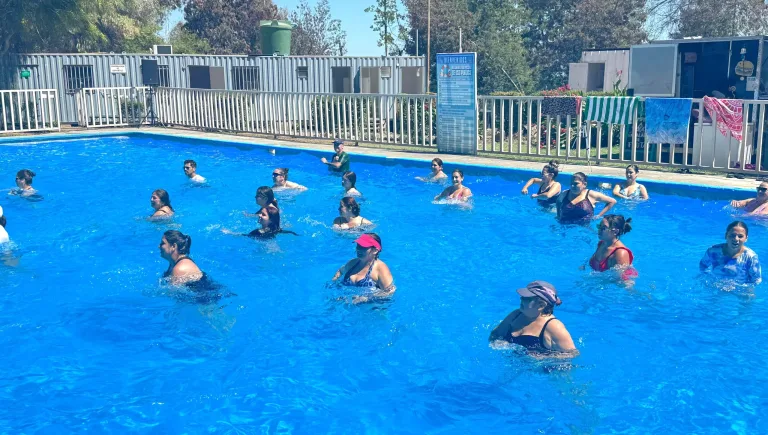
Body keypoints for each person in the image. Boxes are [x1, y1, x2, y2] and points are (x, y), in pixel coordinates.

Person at [489, 280, 577, 355]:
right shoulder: (516, 315)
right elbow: (495, 334)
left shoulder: (553, 326)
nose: (521, 299)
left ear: (541, 305)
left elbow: (572, 354)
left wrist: (542, 358)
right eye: (522, 297)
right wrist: (498, 343)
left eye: (527, 298)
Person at [332, 233, 395, 304]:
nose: (358, 249)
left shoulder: (381, 269)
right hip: (346, 306)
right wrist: (333, 284)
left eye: (363, 247)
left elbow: (390, 291)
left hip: (371, 309)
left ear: (375, 250)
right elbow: (340, 271)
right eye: (358, 245)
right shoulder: (352, 263)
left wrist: (365, 298)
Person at [700, 221, 762, 285]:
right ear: (726, 236)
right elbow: (703, 265)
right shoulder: (713, 251)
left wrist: (740, 288)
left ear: (746, 238)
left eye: (740, 236)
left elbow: (756, 280)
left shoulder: (751, 257)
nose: (736, 239)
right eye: (732, 235)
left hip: (739, 290)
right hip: (715, 286)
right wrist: (708, 279)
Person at [589, 215, 637, 280]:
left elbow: (624, 282)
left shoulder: (620, 253)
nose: (599, 230)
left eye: (603, 228)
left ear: (615, 232)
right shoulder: (602, 243)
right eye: (599, 226)